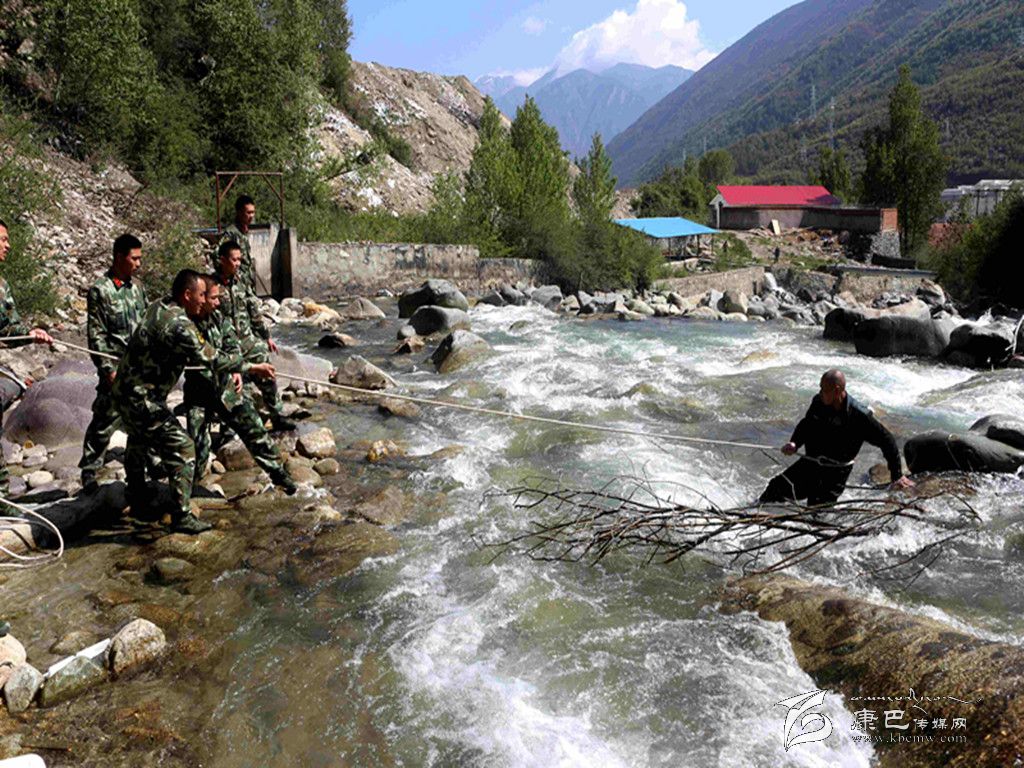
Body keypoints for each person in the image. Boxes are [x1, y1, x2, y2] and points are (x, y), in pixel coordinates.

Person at [113, 269, 275, 534]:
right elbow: (211, 358)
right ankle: (181, 516)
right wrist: (251, 366)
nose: (203, 300)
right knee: (184, 447)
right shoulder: (179, 324)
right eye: (201, 295)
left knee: (138, 438)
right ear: (187, 295)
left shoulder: (160, 305)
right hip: (141, 399)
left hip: (125, 392)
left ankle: (137, 493)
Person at [183, 275, 297, 494]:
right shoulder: (185, 323)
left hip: (227, 389)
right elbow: (210, 357)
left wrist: (236, 369)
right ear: (201, 297)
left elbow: (232, 345)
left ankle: (281, 476)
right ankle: (192, 491)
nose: (217, 302)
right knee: (197, 446)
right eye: (213, 298)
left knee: (255, 431)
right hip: (199, 392)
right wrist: (249, 367)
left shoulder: (218, 317)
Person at [759, 369, 915, 506]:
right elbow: (806, 425)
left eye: (824, 389)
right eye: (820, 388)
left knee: (816, 511)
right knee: (774, 490)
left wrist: (897, 475)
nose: (820, 392)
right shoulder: (819, 402)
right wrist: (794, 443)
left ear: (837, 390)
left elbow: (887, 440)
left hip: (835, 473)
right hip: (812, 463)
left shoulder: (859, 416)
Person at [79, 234, 149, 491]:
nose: (138, 264)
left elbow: (146, 326)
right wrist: (107, 369)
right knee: (105, 420)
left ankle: (141, 470)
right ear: (119, 257)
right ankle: (90, 471)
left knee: (143, 417)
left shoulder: (137, 288)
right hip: (115, 367)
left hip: (138, 367)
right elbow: (96, 334)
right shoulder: (101, 290)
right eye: (134, 258)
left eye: (140, 258)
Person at [213, 241, 295, 431]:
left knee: (267, 368)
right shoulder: (211, 285)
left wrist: (266, 336)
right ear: (223, 260)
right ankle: (230, 425)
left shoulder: (241, 281)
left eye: (239, 260)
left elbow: (253, 310)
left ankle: (276, 415)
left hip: (246, 339)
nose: (238, 264)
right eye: (234, 260)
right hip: (224, 344)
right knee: (234, 384)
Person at [0, 218, 54, 496]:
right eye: (3, 239)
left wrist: (31, 333)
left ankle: (1, 494)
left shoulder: (1, 285)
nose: (8, 245)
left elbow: (9, 328)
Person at [217, 194, 260, 296]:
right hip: (236, 287)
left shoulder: (243, 233)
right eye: (248, 212)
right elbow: (217, 255)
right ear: (239, 213)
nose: (251, 216)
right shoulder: (231, 233)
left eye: (253, 212)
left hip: (246, 284)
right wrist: (229, 276)